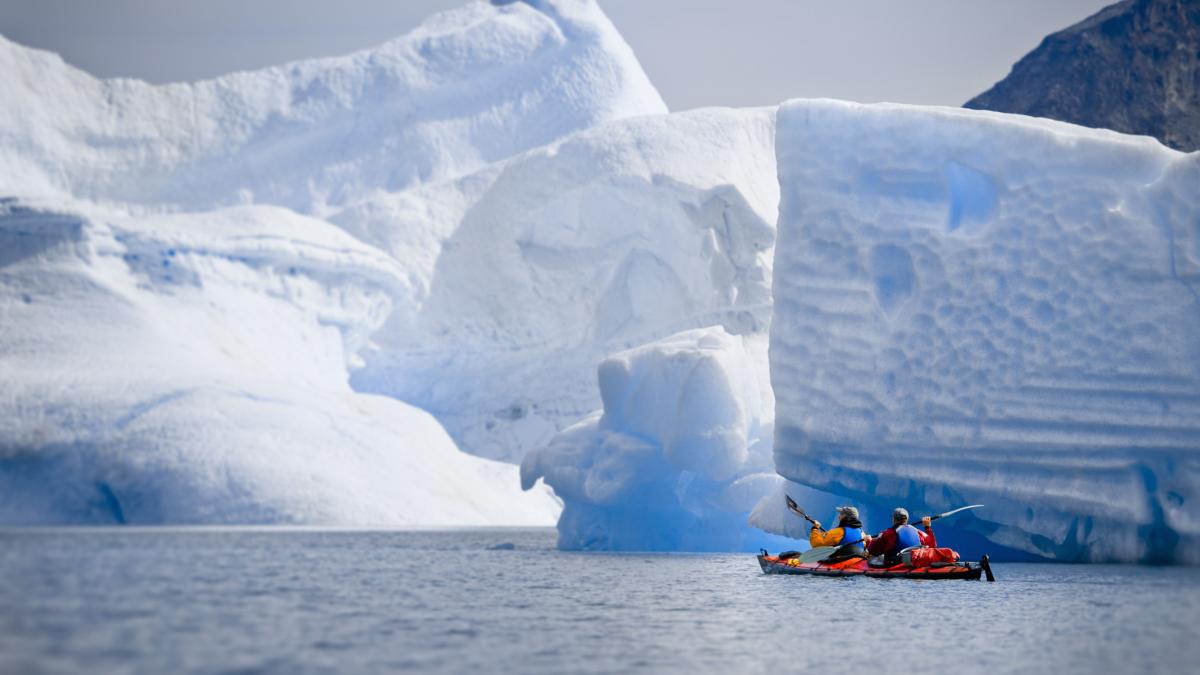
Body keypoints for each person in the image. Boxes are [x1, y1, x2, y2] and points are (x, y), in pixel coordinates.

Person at [867, 508, 936, 564]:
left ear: (893, 519)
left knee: (874, 559)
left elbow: (872, 550)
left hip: (895, 563)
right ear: (907, 519)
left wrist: (869, 541)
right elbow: (932, 545)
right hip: (914, 562)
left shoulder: (888, 533)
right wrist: (927, 527)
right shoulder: (918, 532)